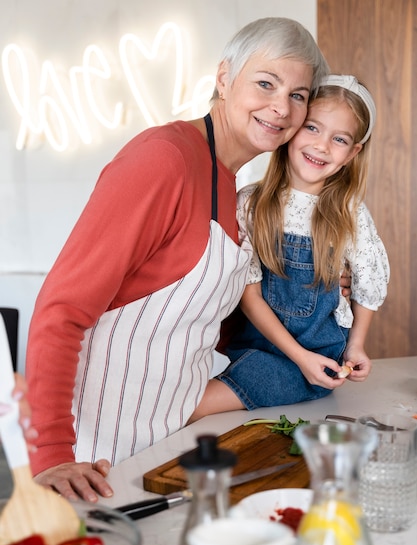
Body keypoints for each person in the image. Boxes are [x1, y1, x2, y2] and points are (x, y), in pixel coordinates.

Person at [26, 17, 331, 502]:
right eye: (266, 83)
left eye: (299, 94)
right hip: (97, 456)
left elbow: (204, 318)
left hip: (164, 440)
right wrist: (54, 454)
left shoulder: (232, 184)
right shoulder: (163, 159)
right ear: (224, 78)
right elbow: (61, 311)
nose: (281, 106)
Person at [191, 74, 389, 419]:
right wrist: (297, 355)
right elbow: (248, 293)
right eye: (312, 128)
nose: (322, 145)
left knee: (191, 408)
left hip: (318, 360)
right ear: (292, 127)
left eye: (339, 138)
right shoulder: (251, 203)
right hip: (262, 348)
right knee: (182, 403)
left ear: (353, 153)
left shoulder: (349, 212)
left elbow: (371, 283)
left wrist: (356, 346)